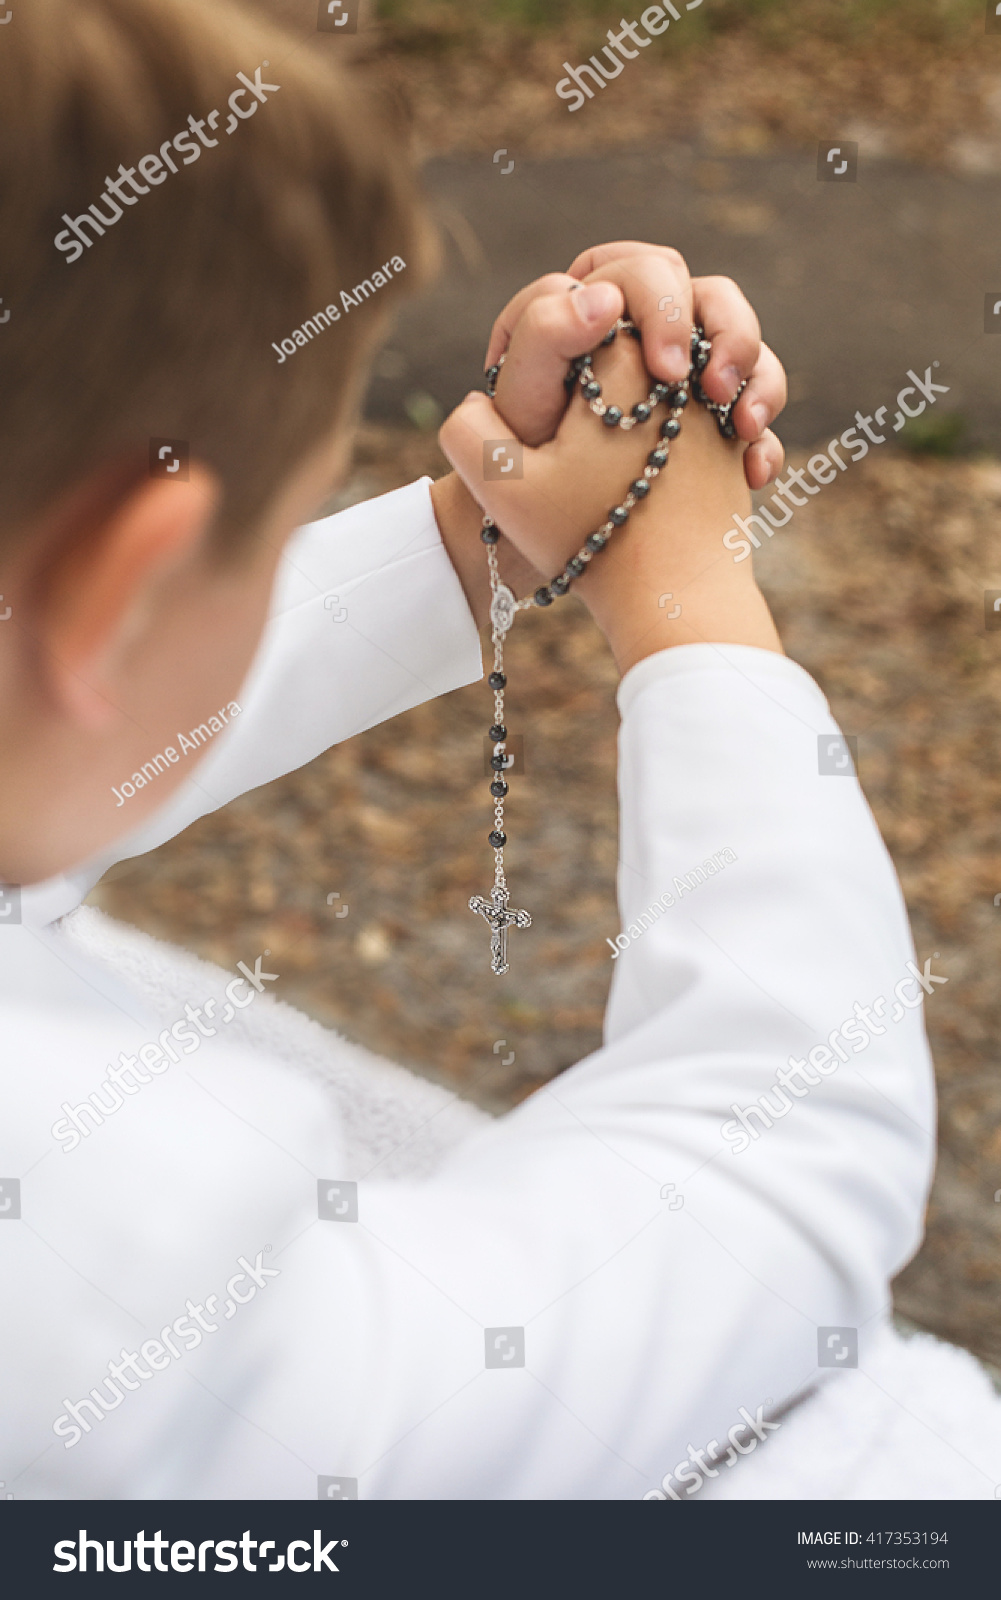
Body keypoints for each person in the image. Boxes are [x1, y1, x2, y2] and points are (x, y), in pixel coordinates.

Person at [1, 0, 998, 1505]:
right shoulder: (106, 1252)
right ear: (121, 587)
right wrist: (688, 603)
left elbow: (55, 698)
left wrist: (474, 540)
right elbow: (770, 1196)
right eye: (269, 539)